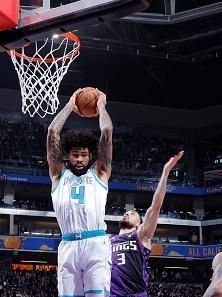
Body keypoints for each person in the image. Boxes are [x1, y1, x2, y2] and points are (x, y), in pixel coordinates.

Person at [47, 88, 113, 296]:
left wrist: (100, 105)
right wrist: (70, 106)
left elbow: (107, 132)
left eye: (83, 155)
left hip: (95, 243)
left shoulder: (100, 172)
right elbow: (52, 132)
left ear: (90, 156)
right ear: (68, 156)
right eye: (75, 154)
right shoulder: (59, 175)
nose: (78, 159)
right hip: (67, 244)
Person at [110, 151, 184, 297]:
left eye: (132, 214)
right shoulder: (107, 239)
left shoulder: (140, 235)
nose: (127, 213)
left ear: (138, 225)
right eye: (126, 213)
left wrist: (165, 172)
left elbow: (155, 207)